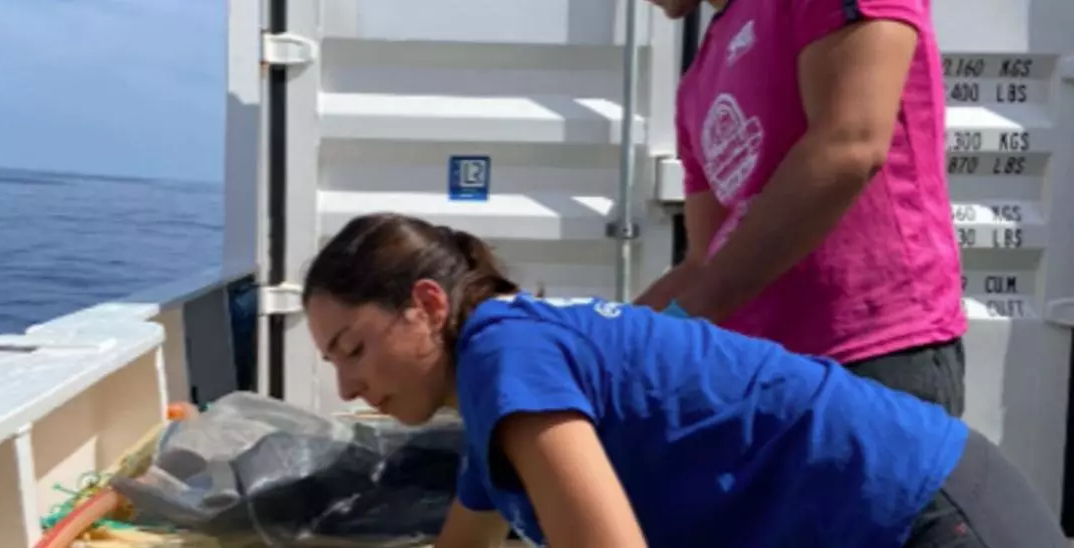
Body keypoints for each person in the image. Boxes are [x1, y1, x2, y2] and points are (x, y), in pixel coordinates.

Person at [300, 212, 1064, 548]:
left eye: (353, 348)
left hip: (925, 516)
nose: (346, 389)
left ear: (428, 306)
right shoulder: (496, 407)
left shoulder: (506, 352)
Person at [635, 0, 967, 416]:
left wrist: (687, 318)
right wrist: (597, 343)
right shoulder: (699, 79)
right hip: (764, 377)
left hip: (871, 357)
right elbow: (704, 261)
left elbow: (850, 146)